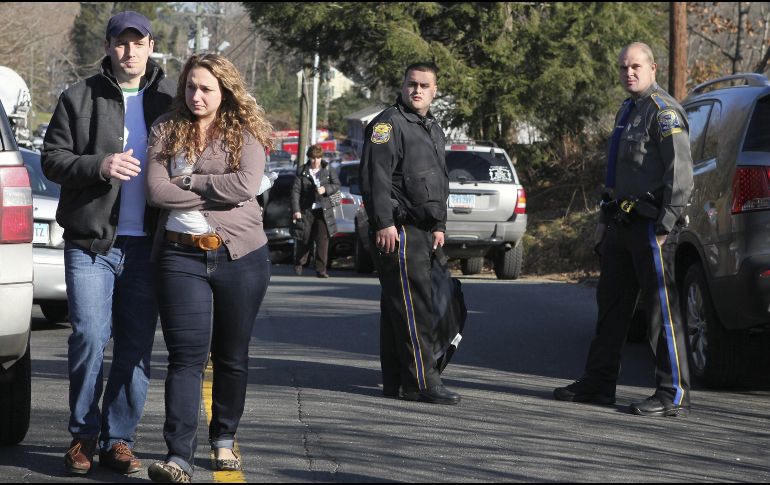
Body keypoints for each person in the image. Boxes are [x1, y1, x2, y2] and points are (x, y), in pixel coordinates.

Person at [41, 11, 175, 476]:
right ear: (109, 45)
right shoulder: (78, 97)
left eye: (138, 43)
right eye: (122, 42)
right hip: (91, 243)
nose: (130, 51)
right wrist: (100, 166)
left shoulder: (171, 101)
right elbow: (52, 159)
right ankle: (83, 436)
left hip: (149, 246)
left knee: (136, 347)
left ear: (151, 47)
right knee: (89, 337)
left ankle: (119, 440)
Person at [144, 53, 272, 483]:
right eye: (191, 86)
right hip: (180, 256)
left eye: (206, 89)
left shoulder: (246, 131)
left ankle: (223, 439)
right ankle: (178, 456)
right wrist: (212, 191)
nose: (196, 96)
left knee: (232, 356)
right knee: (185, 359)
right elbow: (157, 192)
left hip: (241, 256)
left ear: (225, 92)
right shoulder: (166, 129)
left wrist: (191, 181)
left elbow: (245, 186)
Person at [553, 42, 694, 417]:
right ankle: (599, 383)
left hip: (651, 226)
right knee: (612, 308)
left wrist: (665, 225)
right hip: (620, 224)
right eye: (623, 67)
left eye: (635, 66)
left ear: (653, 68)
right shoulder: (627, 111)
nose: (628, 73)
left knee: (660, 312)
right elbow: (615, 175)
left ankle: (672, 392)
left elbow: (680, 174)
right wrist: (602, 222)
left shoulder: (664, 113)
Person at [359, 61, 460, 405]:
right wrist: (384, 222)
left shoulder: (431, 127)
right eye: (411, 84)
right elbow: (377, 178)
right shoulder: (388, 124)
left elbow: (438, 181)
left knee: (399, 307)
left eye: (424, 85)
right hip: (399, 229)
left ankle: (397, 380)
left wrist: (440, 225)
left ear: (435, 90)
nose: (416, 90)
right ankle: (422, 382)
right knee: (415, 308)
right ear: (402, 86)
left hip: (424, 230)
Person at [291, 144, 340, 278]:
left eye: (318, 158)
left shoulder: (328, 169)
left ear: (321, 158)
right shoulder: (302, 171)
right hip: (306, 210)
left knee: (322, 240)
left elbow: (336, 184)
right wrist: (296, 210)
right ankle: (299, 262)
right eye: (313, 158)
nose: (315, 161)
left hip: (323, 210)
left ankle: (321, 269)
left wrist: (326, 189)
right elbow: (295, 192)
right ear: (309, 158)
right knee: (305, 238)